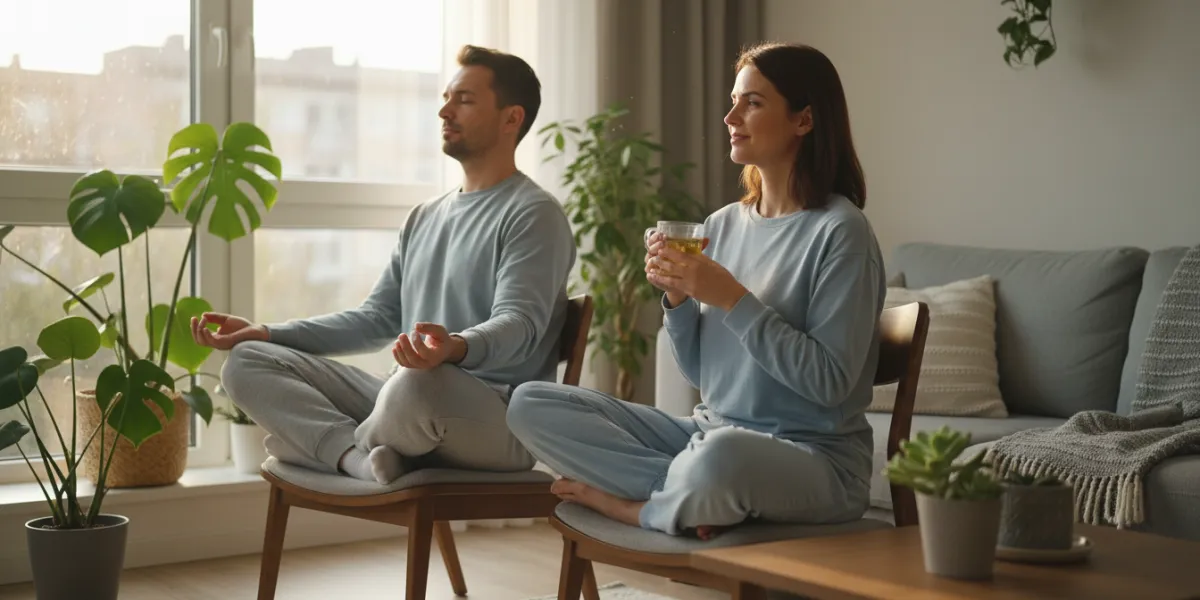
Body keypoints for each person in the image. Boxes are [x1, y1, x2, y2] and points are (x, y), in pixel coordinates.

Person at [505, 42, 885, 539]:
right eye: (733, 100)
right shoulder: (721, 226)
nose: (730, 116)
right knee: (530, 403)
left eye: (752, 102)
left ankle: (638, 507)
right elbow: (704, 373)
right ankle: (694, 496)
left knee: (722, 457)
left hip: (814, 459)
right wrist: (679, 299)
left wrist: (730, 296)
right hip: (709, 436)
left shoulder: (841, 232)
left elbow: (830, 382)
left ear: (804, 120)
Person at [195, 45, 576, 485]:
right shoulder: (423, 216)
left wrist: (455, 347)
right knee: (246, 361)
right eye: (446, 97)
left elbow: (520, 324)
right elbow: (375, 319)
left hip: (493, 419)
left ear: (512, 118)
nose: (444, 111)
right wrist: (267, 332)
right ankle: (353, 458)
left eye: (464, 100)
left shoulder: (534, 214)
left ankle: (320, 449)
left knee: (415, 384)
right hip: (406, 400)